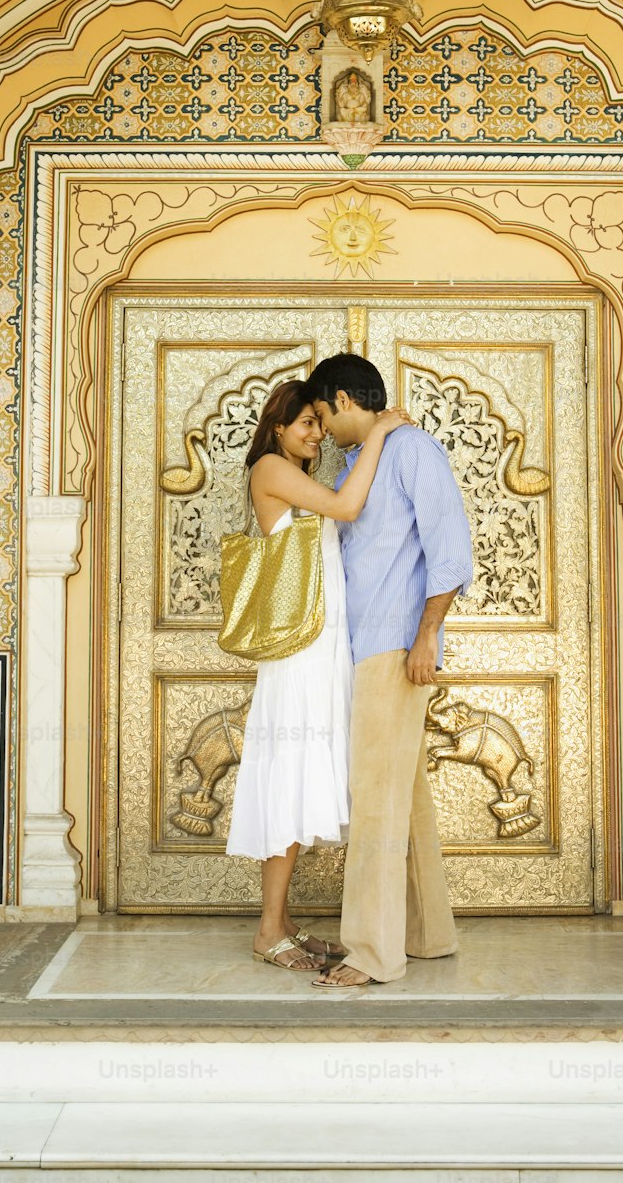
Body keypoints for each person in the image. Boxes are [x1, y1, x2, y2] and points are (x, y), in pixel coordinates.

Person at [225, 378, 411, 971]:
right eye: (305, 423)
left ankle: (280, 923)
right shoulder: (270, 471)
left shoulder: (299, 477)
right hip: (297, 655)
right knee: (288, 778)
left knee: (301, 779)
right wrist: (379, 432)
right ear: (277, 428)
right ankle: (267, 931)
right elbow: (348, 506)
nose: (316, 432)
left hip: (318, 649)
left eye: (317, 420)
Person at [304, 354, 473, 987]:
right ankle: (427, 934)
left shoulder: (413, 450)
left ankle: (372, 954)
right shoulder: (360, 462)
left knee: (375, 801)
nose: (320, 430)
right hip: (363, 650)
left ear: (345, 400)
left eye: (322, 415)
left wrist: (426, 635)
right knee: (405, 797)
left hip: (395, 648)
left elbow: (450, 550)